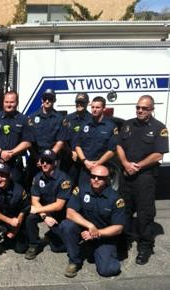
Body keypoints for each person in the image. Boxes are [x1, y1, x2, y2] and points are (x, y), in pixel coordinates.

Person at [117, 95, 168, 265]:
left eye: (144, 108)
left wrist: (136, 166)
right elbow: (119, 146)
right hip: (126, 175)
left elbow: (158, 154)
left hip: (144, 178)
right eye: (138, 107)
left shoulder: (159, 128)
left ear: (151, 109)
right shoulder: (127, 124)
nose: (140, 110)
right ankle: (123, 242)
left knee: (145, 213)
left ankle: (145, 246)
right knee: (124, 210)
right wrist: (125, 164)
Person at [59, 165, 125, 278]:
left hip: (104, 236)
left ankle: (99, 251)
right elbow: (70, 213)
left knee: (108, 270)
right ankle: (74, 261)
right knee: (66, 225)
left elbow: (118, 228)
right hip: (85, 230)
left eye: (100, 177)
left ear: (107, 179)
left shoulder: (115, 198)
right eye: (93, 176)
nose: (95, 180)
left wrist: (97, 233)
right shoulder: (81, 190)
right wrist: (90, 226)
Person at [25, 149, 71, 260]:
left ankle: (51, 236)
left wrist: (40, 210)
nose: (45, 164)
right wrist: (45, 216)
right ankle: (34, 245)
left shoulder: (64, 179)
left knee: (58, 247)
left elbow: (59, 205)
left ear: (55, 163)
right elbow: (35, 200)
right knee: (30, 218)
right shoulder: (37, 177)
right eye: (43, 161)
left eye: (49, 161)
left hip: (60, 213)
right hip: (44, 210)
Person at [0, 90, 33, 184]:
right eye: (6, 102)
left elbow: (28, 141)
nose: (9, 104)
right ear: (3, 102)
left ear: (17, 103)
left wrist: (11, 153)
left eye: (12, 102)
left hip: (14, 162)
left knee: (15, 190)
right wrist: (1, 152)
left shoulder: (23, 119)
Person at [75, 96, 118, 186]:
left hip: (102, 168)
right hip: (85, 168)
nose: (94, 110)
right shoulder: (85, 124)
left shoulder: (111, 126)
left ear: (104, 108)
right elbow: (77, 146)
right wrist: (85, 161)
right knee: (83, 194)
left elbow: (112, 150)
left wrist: (97, 164)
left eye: (97, 107)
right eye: (93, 107)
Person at [62, 93, 92, 184]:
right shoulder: (68, 119)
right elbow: (62, 138)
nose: (79, 104)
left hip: (86, 159)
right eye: (77, 102)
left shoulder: (92, 119)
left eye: (82, 102)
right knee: (68, 184)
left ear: (87, 103)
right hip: (70, 158)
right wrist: (71, 152)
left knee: (84, 185)